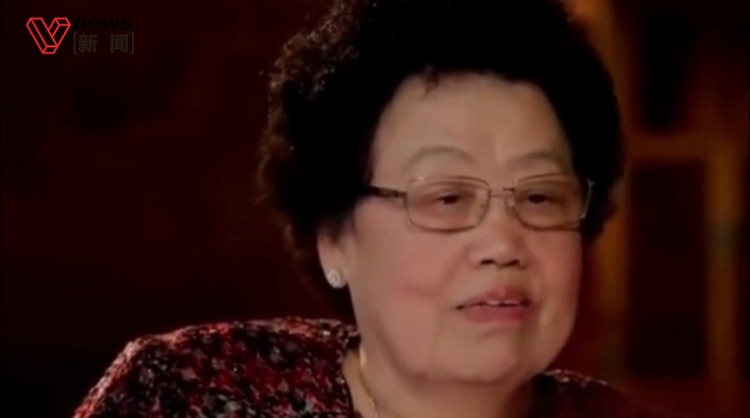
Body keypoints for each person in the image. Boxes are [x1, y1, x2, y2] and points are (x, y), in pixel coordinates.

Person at [72, 0, 665, 417]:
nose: (503, 244)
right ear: (334, 237)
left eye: (539, 197)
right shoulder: (184, 394)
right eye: (447, 197)